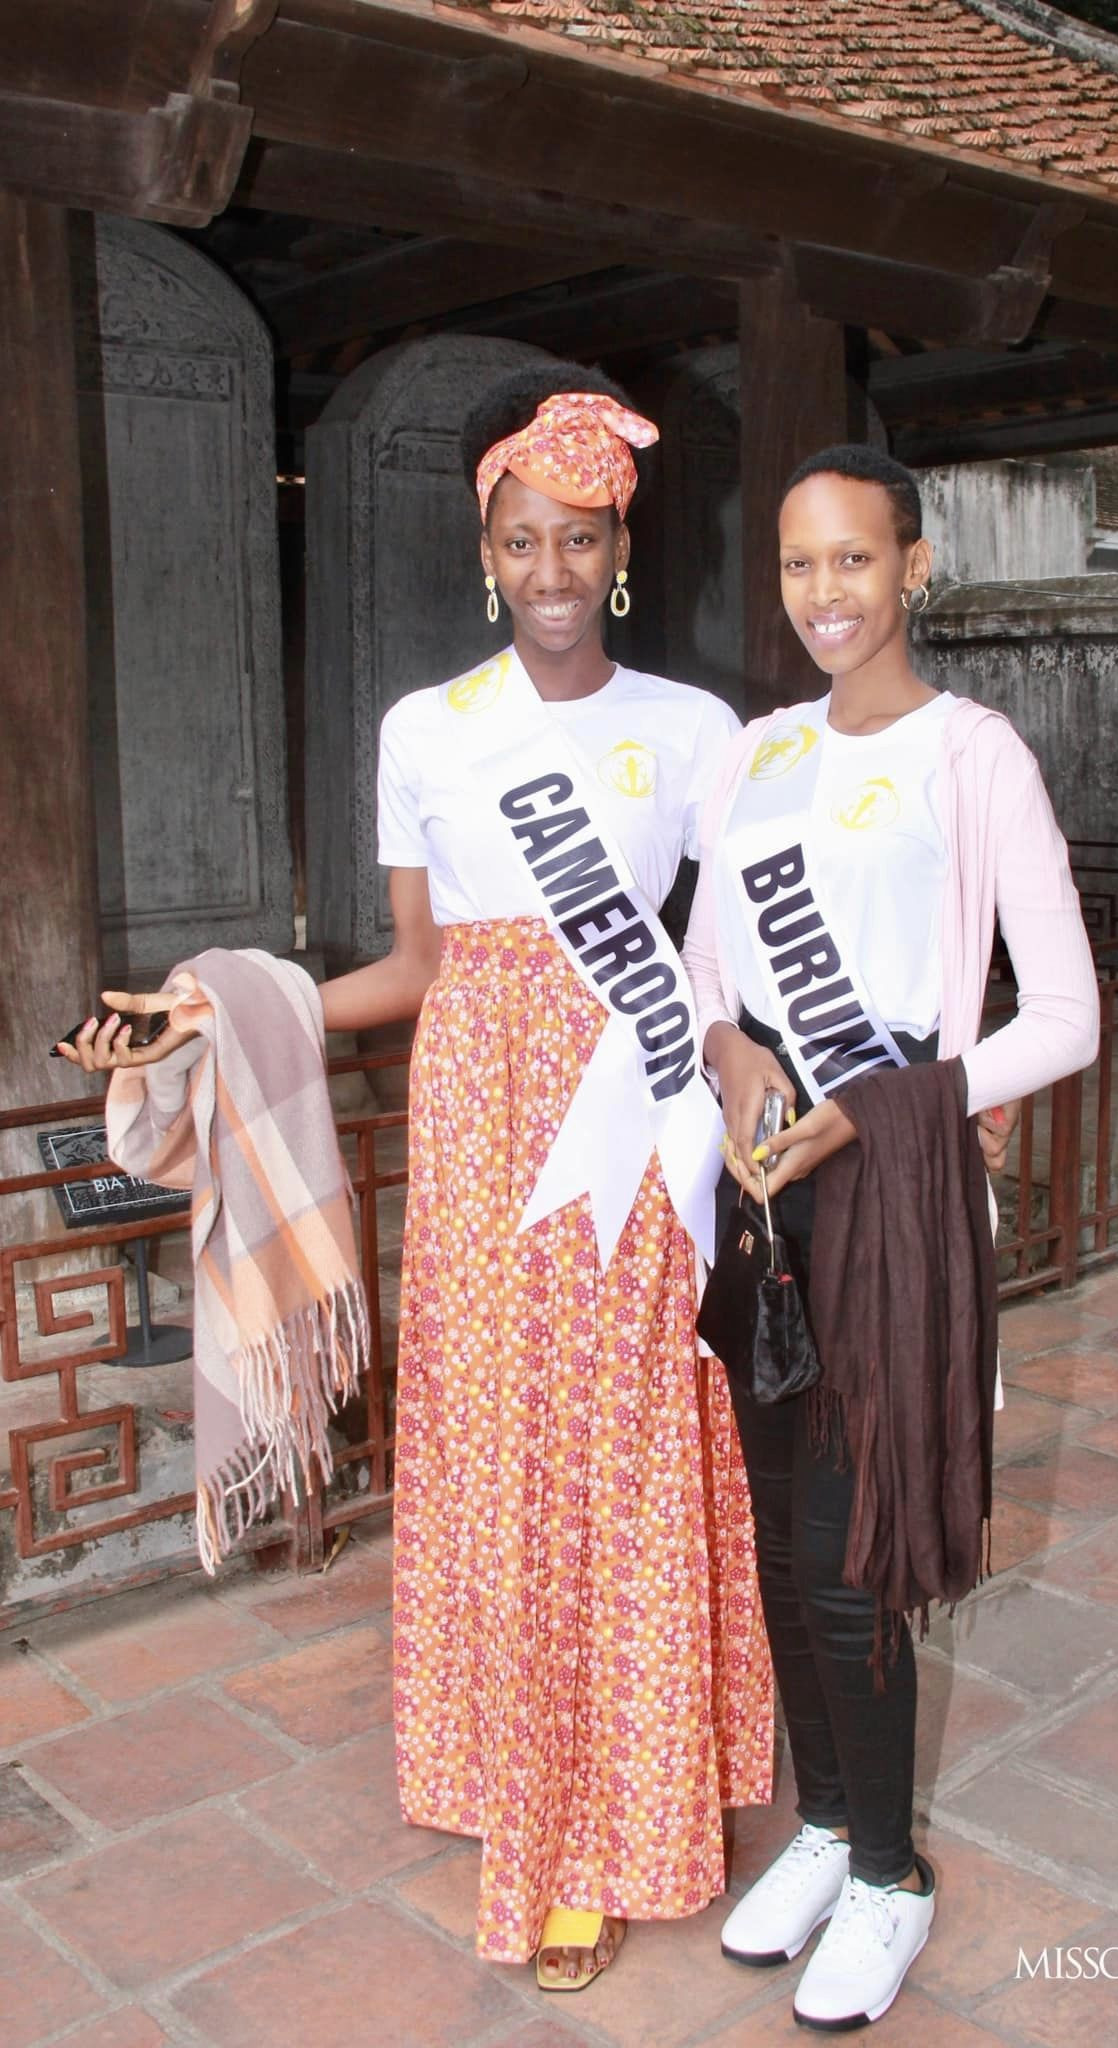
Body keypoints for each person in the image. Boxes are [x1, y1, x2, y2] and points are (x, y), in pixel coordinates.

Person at [58, 365, 772, 1993]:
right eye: (521, 540)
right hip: (477, 1136)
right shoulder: (424, 733)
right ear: (484, 554)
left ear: (619, 552)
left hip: (628, 1125)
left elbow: (718, 968)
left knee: (624, 1454)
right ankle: (504, 1771)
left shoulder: (694, 734)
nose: (549, 570)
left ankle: (603, 1822)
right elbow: (417, 967)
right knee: (507, 1462)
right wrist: (231, 998)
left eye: (577, 539)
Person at [683, 443, 1098, 2031]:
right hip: (759, 1195)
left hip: (891, 1194)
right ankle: (829, 1827)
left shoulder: (973, 755)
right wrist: (730, 1056)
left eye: (853, 560)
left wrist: (884, 1103)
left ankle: (890, 1877)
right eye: (798, 565)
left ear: (913, 565)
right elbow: (710, 974)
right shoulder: (755, 757)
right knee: (782, 1546)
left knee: (851, 1563)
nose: (824, 594)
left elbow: (1062, 1017)